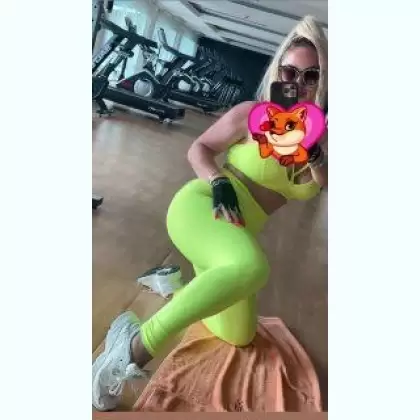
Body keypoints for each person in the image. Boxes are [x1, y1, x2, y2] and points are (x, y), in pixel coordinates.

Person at [92, 15, 328, 411]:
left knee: (239, 335)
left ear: (322, 81)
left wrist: (316, 152)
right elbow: (198, 148)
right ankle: (131, 349)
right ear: (278, 73)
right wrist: (218, 180)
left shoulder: (320, 135)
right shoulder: (252, 114)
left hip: (234, 234)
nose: (299, 83)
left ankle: (173, 285)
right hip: (201, 208)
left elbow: (324, 183)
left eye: (311, 75)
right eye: (290, 72)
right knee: (252, 267)